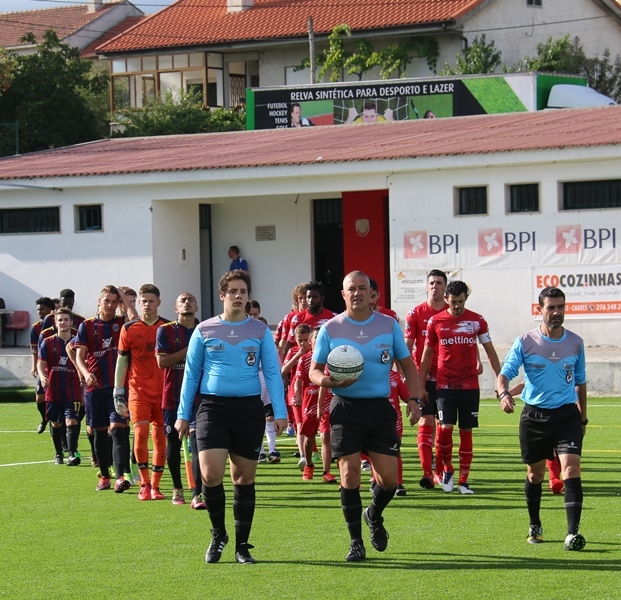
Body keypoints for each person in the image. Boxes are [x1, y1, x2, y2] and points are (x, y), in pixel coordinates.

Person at [175, 270, 287, 565]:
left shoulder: (260, 331)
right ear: (222, 295)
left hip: (248, 409)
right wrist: (183, 414)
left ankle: (242, 545)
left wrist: (280, 410)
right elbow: (191, 374)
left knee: (243, 477)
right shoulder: (205, 330)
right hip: (212, 408)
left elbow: (273, 373)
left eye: (243, 292)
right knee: (210, 474)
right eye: (233, 291)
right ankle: (218, 534)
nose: (239, 296)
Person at [309, 270, 422, 562]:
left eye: (363, 288)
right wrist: (328, 382)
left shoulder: (388, 324)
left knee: (389, 481)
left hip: (380, 409)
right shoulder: (331, 328)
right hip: (345, 408)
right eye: (351, 289)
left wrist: (414, 398)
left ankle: (373, 514)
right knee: (349, 475)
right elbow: (314, 370)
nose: (357, 293)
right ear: (343, 295)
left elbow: (408, 365)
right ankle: (356, 542)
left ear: (371, 294)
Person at [496, 286, 588, 551]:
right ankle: (535, 523)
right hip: (534, 417)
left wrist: (583, 418)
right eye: (551, 307)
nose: (557, 312)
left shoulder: (576, 342)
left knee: (571, 469)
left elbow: (580, 383)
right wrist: (503, 394)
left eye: (561, 306)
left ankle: (572, 533)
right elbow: (505, 374)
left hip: (567, 415)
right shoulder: (526, 342)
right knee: (535, 475)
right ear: (540, 310)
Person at [419, 280, 501, 495]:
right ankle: (448, 469)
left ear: (466, 299)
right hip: (444, 384)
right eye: (453, 301)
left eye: (461, 301)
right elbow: (427, 354)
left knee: (466, 431)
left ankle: (464, 480)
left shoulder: (476, 321)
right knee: (445, 429)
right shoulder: (436, 321)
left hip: (469, 385)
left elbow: (490, 351)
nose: (457, 306)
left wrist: (499, 380)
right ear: (446, 299)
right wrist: (421, 385)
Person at [75, 285, 135, 492]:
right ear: (98, 303)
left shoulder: (122, 323)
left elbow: (134, 317)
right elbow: (78, 356)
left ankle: (120, 477)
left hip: (118, 388)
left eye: (114, 301)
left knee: (118, 431)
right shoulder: (87, 325)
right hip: (95, 388)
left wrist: (123, 296)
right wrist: (85, 372)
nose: (110, 305)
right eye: (106, 301)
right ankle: (104, 475)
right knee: (100, 434)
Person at [114, 284, 169, 501]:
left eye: (150, 300)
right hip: (138, 392)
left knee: (159, 438)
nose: (146, 304)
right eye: (143, 300)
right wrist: (118, 391)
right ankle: (144, 484)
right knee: (140, 434)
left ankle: (156, 486)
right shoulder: (128, 328)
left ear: (158, 303)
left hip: (164, 393)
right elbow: (122, 360)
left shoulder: (167, 327)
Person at [404, 269, 448, 488]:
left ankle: (440, 471)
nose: (434, 286)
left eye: (439, 282)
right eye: (431, 282)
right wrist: (410, 379)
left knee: (443, 426)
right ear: (426, 286)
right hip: (424, 377)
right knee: (426, 420)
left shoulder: (452, 312)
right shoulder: (415, 313)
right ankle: (427, 473)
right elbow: (407, 348)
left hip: (448, 377)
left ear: (445, 287)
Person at [156, 292, 201, 507]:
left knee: (197, 443)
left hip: (200, 398)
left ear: (197, 307)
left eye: (190, 299)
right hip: (172, 396)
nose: (187, 302)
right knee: (173, 443)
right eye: (182, 300)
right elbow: (162, 362)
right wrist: (190, 348)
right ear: (176, 309)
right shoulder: (165, 331)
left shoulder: (206, 330)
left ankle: (197, 492)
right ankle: (177, 488)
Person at [37, 308, 83, 466]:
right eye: (60, 320)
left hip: (73, 389)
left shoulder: (78, 342)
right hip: (53, 389)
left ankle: (72, 453)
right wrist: (43, 377)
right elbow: (41, 363)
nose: (63, 323)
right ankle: (58, 453)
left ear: (71, 322)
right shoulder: (47, 342)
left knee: (72, 421)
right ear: (55, 323)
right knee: (56, 423)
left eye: (66, 319)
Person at [283, 281, 336, 358]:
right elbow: (290, 344)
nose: (311, 300)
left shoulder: (333, 318)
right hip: (302, 365)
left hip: (325, 362)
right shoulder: (297, 319)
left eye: (315, 297)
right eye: (309, 297)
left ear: (322, 298)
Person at [30, 296, 55, 434]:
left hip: (57, 365)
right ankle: (44, 418)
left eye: (43, 309)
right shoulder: (36, 328)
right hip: (43, 366)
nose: (40, 312)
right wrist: (34, 366)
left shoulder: (59, 324)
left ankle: (54, 421)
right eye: (38, 310)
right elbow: (34, 349)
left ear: (51, 310)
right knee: (39, 397)